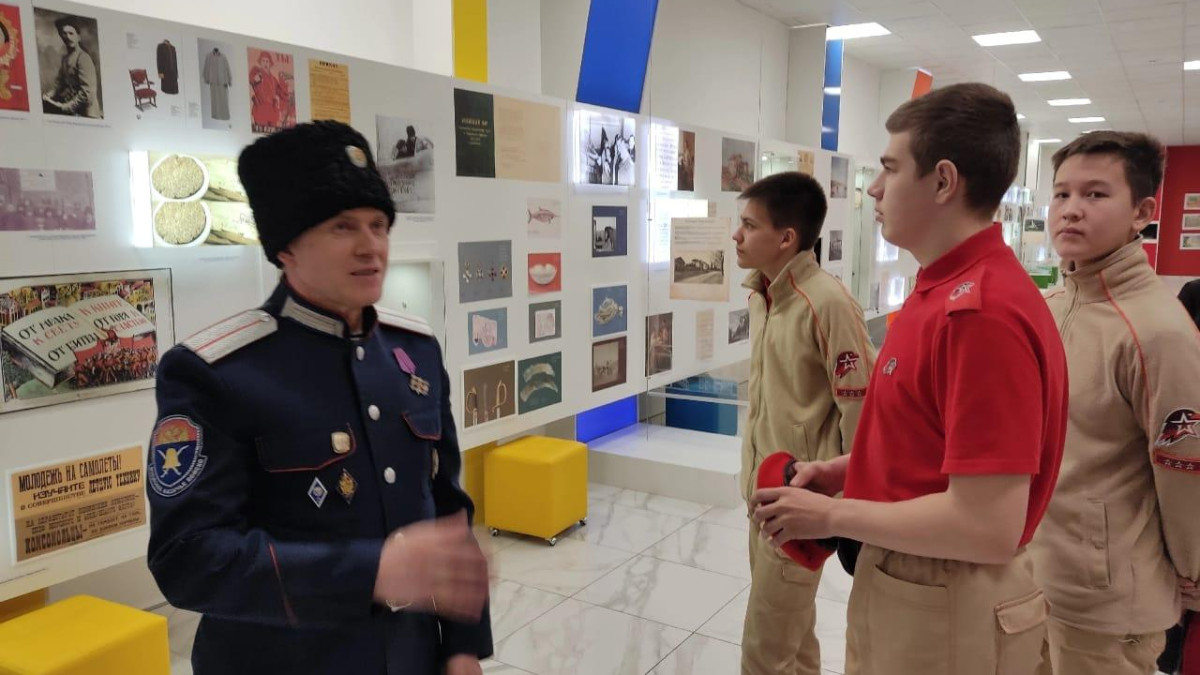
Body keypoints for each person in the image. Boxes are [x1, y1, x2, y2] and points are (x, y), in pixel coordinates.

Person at [146, 121, 492, 675]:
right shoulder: (215, 373)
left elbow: (448, 508)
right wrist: (372, 571)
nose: (370, 247)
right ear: (286, 246)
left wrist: (462, 646)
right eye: (342, 227)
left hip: (410, 657)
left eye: (379, 225)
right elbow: (187, 560)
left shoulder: (415, 351)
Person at [751, 83, 1068, 675]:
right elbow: (933, 445)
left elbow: (987, 526)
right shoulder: (939, 290)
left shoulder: (982, 313)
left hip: (946, 602)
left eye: (890, 169)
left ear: (943, 181)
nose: (873, 188)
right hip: (915, 584)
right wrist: (843, 472)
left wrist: (832, 516)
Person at [1029, 131, 1200, 675]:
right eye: (1061, 194)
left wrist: (1192, 571)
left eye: (1096, 194)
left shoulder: (1158, 330)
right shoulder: (1051, 305)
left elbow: (1184, 468)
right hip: (1035, 576)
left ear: (1142, 213)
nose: (1071, 210)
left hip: (1108, 604)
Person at [733, 171, 874, 675]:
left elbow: (862, 410)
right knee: (794, 638)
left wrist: (850, 507)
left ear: (786, 238)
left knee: (764, 653)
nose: (737, 236)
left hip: (799, 504)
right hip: (762, 495)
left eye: (750, 226)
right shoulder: (763, 297)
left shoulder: (827, 302)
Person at [42, 15, 100, 118]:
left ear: (78, 37)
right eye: (64, 33)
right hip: (74, 111)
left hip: (88, 114)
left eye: (71, 33)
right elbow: (59, 84)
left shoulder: (83, 58)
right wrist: (48, 96)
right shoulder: (65, 59)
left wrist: (66, 107)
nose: (68, 37)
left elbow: (87, 93)